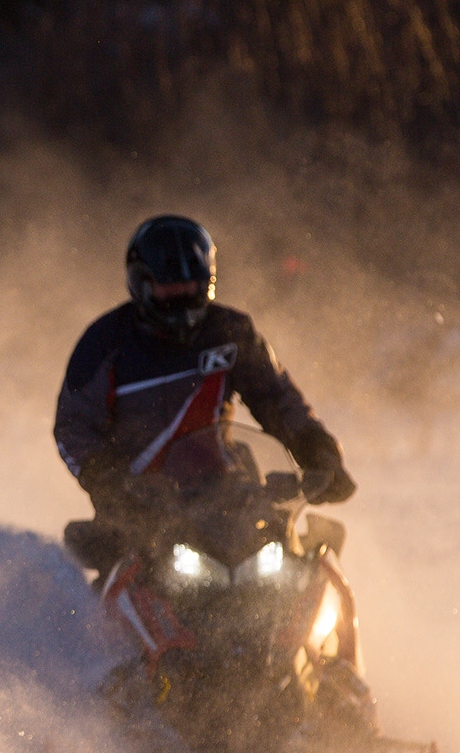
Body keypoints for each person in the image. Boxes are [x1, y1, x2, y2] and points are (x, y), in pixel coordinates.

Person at [54, 215, 355, 555]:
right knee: (112, 566)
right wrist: (108, 481)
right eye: (170, 289)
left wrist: (318, 450)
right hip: (140, 507)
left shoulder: (231, 333)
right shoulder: (104, 345)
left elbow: (276, 397)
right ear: (142, 283)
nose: (182, 298)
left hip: (227, 497)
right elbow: (73, 426)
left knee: (295, 561)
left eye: (191, 288)